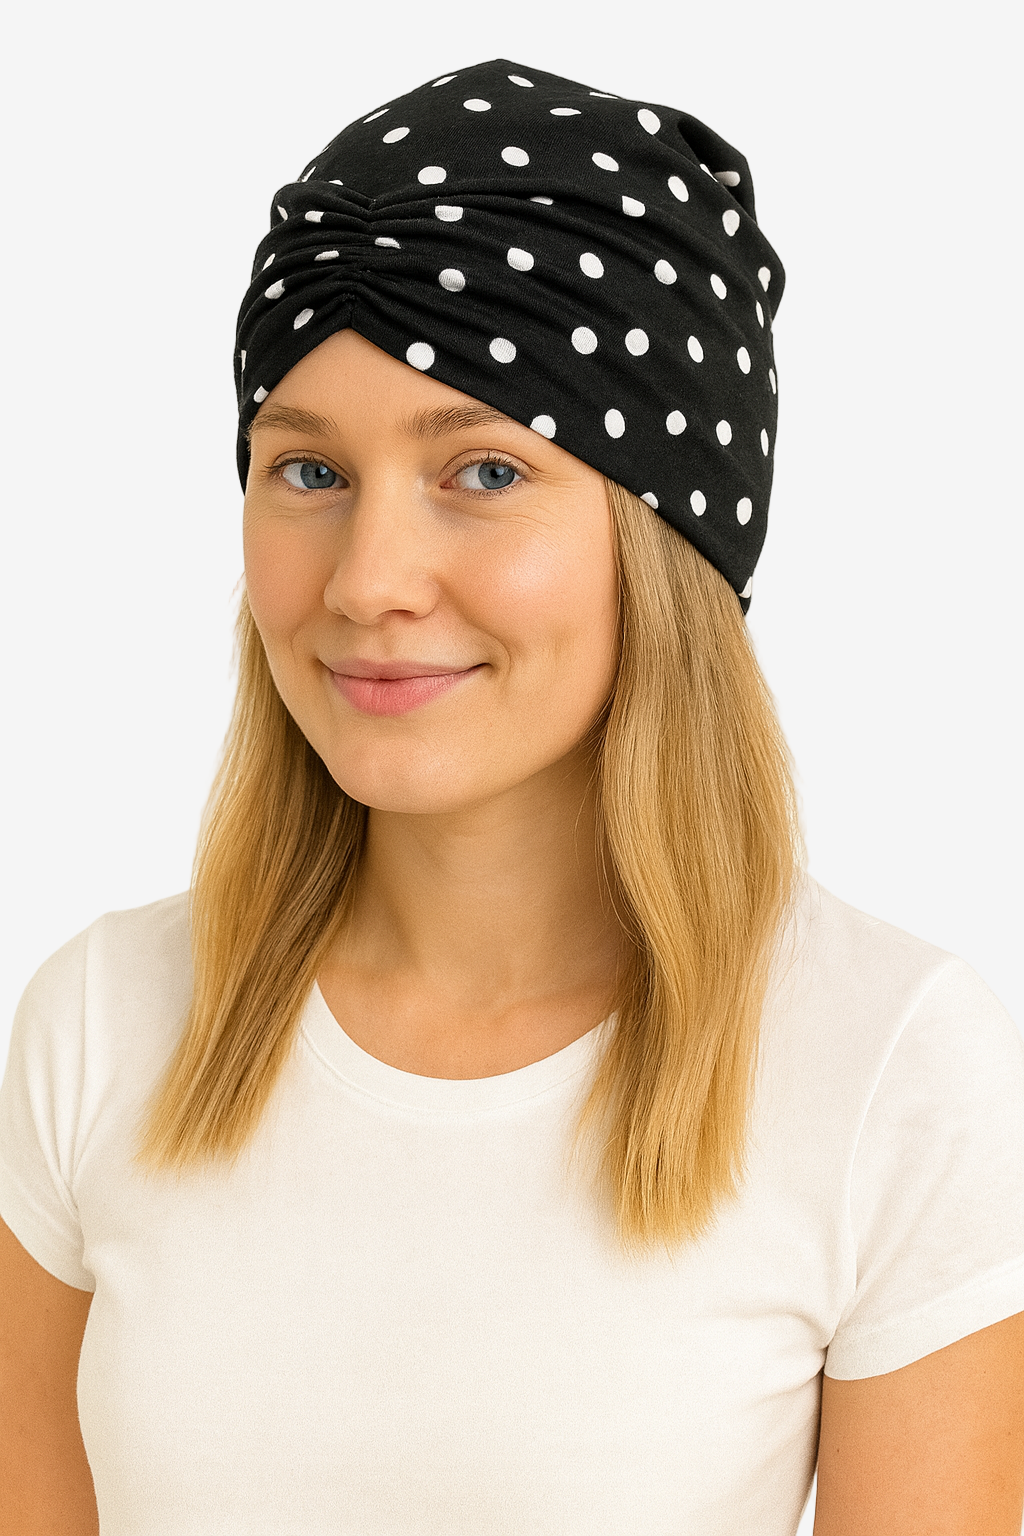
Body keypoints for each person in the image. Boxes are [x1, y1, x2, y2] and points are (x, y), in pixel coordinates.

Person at [1, 56, 1022, 1536]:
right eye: (307, 470)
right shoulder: (105, 1021)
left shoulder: (883, 1066)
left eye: (482, 470)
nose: (366, 583)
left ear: (665, 541)